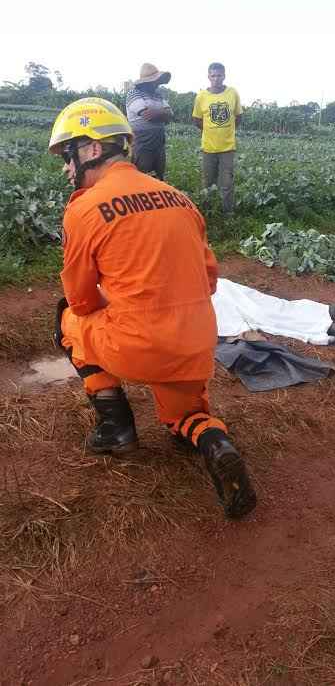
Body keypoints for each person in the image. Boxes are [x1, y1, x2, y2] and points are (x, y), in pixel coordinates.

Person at [48, 97, 256, 521]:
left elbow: (83, 300)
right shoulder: (179, 198)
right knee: (186, 417)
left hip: (138, 345)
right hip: (195, 345)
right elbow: (210, 280)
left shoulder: (85, 208)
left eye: (67, 156)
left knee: (67, 318)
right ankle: (215, 442)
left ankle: (116, 428)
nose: (67, 169)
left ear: (90, 149)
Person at [192, 63, 242, 214]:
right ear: (208, 77)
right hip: (208, 147)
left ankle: (227, 213)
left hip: (227, 147)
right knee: (207, 182)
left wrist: (228, 131)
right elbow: (196, 119)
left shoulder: (232, 93)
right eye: (213, 76)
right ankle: (207, 212)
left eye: (219, 75)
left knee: (227, 183)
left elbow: (238, 116)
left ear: (224, 76)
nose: (216, 79)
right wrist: (209, 130)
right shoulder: (201, 96)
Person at [126, 63, 173, 180]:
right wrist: (163, 113)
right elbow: (148, 115)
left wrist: (159, 113)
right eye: (155, 81)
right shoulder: (133, 93)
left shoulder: (158, 95)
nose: (157, 83)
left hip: (159, 142)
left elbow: (170, 114)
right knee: (143, 177)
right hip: (142, 143)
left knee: (159, 176)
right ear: (146, 82)